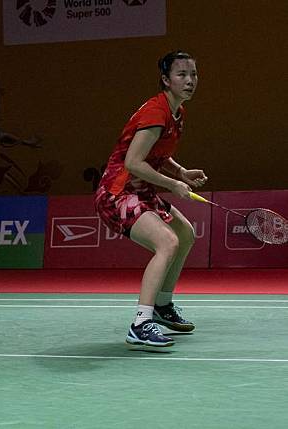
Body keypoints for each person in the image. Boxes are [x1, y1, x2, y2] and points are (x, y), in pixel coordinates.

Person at [94, 51, 207, 347]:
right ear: (165, 80)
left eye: (193, 74)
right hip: (117, 193)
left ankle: (162, 305)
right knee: (167, 242)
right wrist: (173, 185)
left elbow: (158, 154)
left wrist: (181, 172)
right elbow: (133, 162)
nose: (190, 80)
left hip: (140, 191)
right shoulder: (156, 112)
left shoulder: (176, 112)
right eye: (181, 74)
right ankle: (141, 323)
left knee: (185, 233)